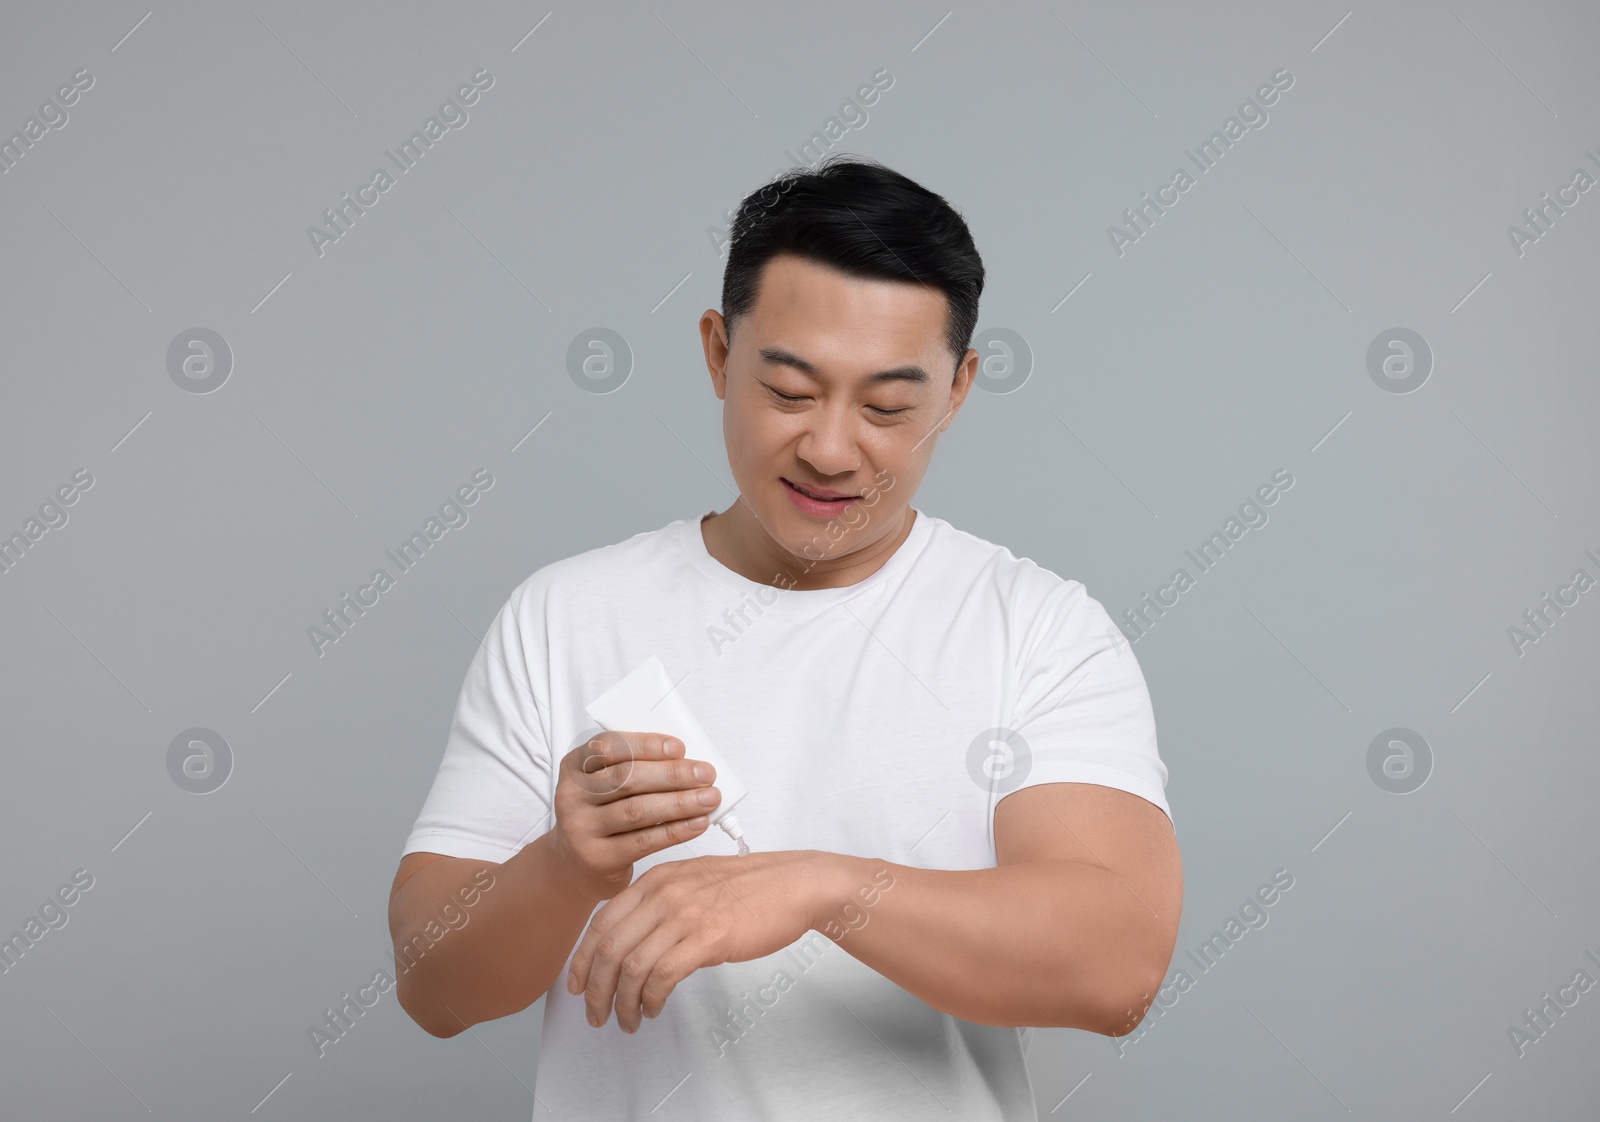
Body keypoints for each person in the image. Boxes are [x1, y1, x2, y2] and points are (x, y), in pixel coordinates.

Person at [388, 154, 1182, 1120]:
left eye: (889, 406)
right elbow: (433, 989)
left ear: (959, 389)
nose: (832, 449)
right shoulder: (564, 616)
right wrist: (566, 865)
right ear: (720, 353)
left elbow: (1116, 969)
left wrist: (822, 890)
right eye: (791, 392)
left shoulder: (1039, 630)